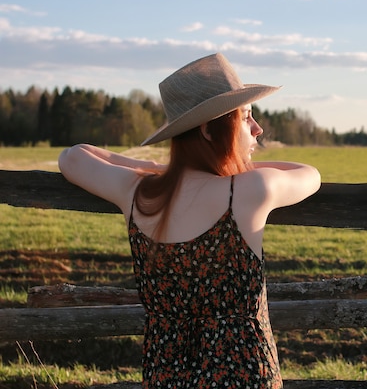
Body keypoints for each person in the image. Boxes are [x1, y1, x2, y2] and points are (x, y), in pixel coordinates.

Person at [58, 53, 321, 389]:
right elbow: (309, 174)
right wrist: (239, 165)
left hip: (165, 376)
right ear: (209, 131)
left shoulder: (137, 192)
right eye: (246, 118)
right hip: (245, 376)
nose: (258, 129)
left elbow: (74, 156)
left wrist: (158, 170)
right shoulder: (249, 189)